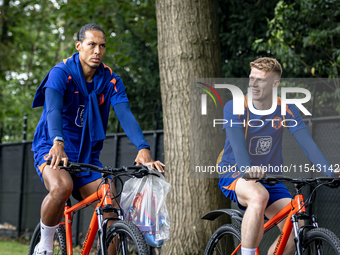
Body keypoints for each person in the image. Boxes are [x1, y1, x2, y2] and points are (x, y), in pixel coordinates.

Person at [31, 23, 164, 255]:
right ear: (79, 46)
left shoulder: (110, 79)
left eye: (102, 46)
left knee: (110, 204)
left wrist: (143, 148)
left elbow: (124, 113)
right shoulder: (60, 73)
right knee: (62, 187)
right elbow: (52, 110)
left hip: (86, 155)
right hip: (52, 146)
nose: (97, 51)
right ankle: (44, 246)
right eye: (91, 44)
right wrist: (58, 142)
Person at [217, 57, 338, 255]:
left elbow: (308, 144)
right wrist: (248, 169)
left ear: (275, 83)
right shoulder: (235, 106)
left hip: (271, 179)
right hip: (235, 172)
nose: (253, 84)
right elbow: (238, 146)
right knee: (258, 195)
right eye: (251, 78)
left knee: (294, 232)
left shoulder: (285, 108)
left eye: (261, 80)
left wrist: (330, 171)